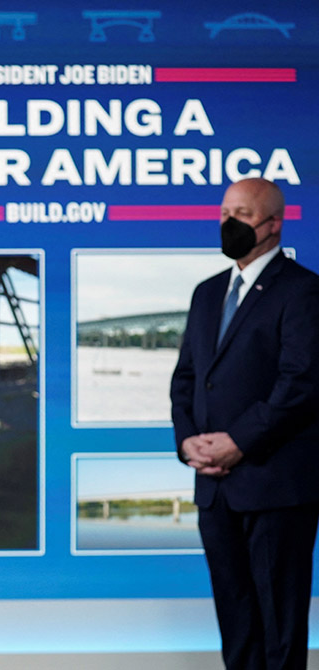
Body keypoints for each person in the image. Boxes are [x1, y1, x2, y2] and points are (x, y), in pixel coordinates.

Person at [170, 177, 319, 669]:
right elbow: (186, 380)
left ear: (274, 224)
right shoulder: (206, 294)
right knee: (235, 623)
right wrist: (187, 442)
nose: (228, 223)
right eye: (223, 212)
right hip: (214, 489)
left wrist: (238, 442)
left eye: (242, 214)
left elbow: (300, 384)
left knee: (279, 626)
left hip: (275, 484)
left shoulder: (303, 292)